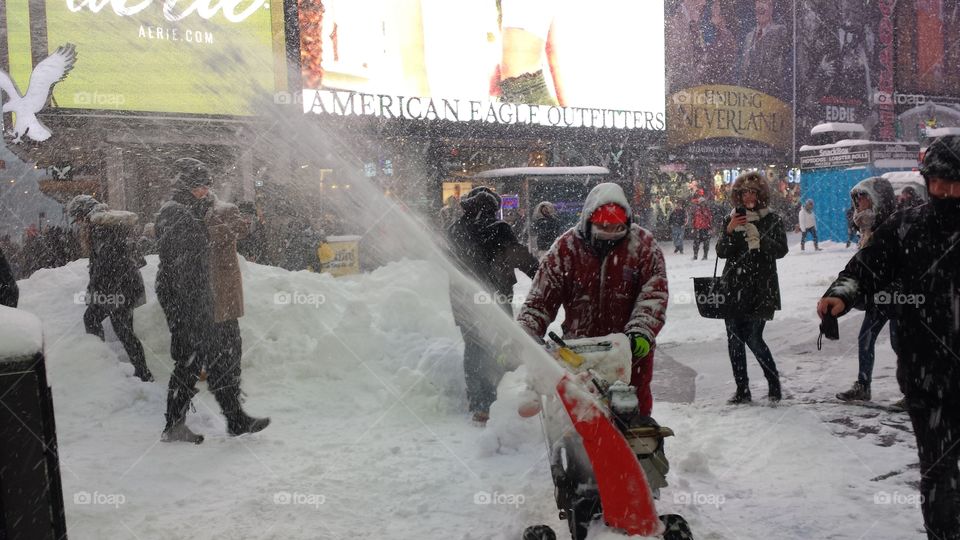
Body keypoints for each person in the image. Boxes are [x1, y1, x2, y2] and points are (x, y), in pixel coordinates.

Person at [817, 136, 960, 540]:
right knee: (938, 471)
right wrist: (841, 293)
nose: (945, 191)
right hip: (926, 374)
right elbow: (864, 268)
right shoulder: (907, 225)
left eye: (954, 182)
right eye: (938, 182)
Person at [517, 183, 668, 417]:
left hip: (629, 353)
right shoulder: (566, 248)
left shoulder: (643, 246)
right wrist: (525, 334)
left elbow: (654, 294)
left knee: (632, 414)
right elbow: (540, 299)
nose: (609, 233)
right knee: (579, 416)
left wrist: (641, 330)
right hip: (579, 351)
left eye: (617, 227)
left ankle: (635, 438)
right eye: (603, 227)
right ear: (588, 221)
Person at [155, 158, 268, 444]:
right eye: (198, 186)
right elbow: (181, 263)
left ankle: (235, 419)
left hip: (203, 297)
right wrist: (191, 306)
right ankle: (174, 425)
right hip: (186, 300)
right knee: (189, 362)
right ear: (184, 186)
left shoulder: (195, 210)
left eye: (206, 186)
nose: (204, 191)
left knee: (220, 359)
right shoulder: (174, 213)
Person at [447, 186, 538, 426]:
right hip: (496, 299)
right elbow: (521, 259)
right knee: (496, 346)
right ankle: (491, 401)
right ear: (493, 208)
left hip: (462, 300)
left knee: (474, 347)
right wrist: (541, 273)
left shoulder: (455, 230)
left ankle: (478, 401)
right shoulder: (499, 229)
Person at [716, 172, 788, 404]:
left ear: (761, 195)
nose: (748, 196)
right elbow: (721, 252)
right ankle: (742, 389)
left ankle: (774, 384)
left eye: (753, 192)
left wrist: (760, 239)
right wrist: (729, 231)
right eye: (744, 193)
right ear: (738, 196)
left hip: (761, 289)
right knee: (735, 340)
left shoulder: (772, 219)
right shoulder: (731, 219)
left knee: (754, 338)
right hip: (733, 288)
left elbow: (781, 250)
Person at [67, 195, 153, 383]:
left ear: (84, 214)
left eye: (79, 218)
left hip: (117, 288)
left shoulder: (101, 228)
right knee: (123, 330)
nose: (79, 223)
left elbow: (107, 265)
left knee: (95, 320)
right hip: (124, 286)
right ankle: (142, 373)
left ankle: (105, 366)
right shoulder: (108, 223)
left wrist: (97, 291)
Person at [831, 177, 899, 402]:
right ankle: (863, 385)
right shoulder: (866, 227)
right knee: (866, 338)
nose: (858, 202)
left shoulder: (893, 224)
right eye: (857, 198)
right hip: (878, 295)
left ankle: (914, 390)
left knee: (900, 343)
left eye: (862, 197)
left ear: (876, 198)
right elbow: (863, 265)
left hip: (898, 295)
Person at [207, 199, 271, 437]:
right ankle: (231, 410)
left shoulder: (219, 211)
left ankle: (233, 405)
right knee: (217, 355)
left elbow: (242, 230)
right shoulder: (194, 213)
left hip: (223, 296)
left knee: (230, 349)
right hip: (212, 296)